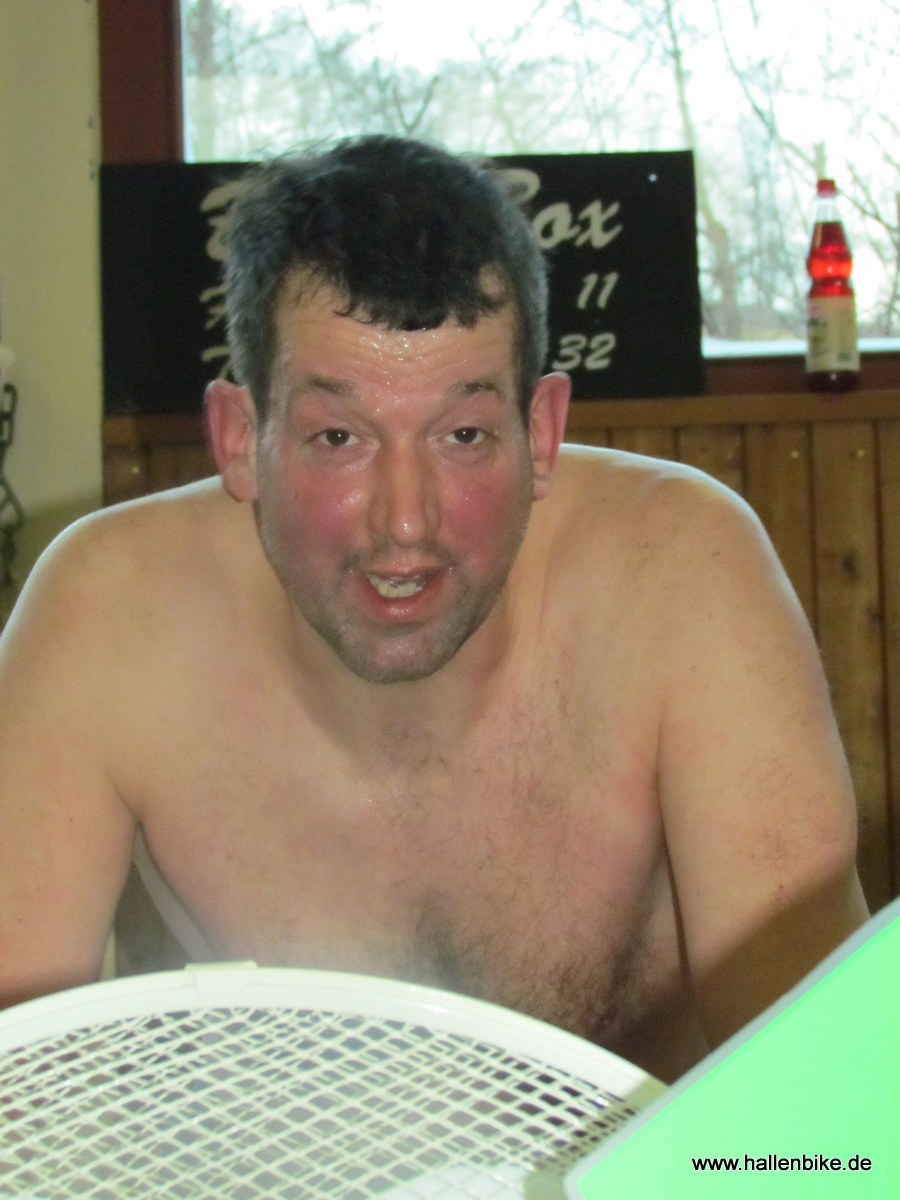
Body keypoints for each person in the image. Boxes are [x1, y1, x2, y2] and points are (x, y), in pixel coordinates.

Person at [0, 135, 867, 1082]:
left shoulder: (683, 575)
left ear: (541, 435)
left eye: (463, 435)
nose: (406, 522)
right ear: (242, 441)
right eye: (339, 437)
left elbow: (820, 1102)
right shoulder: (106, 620)